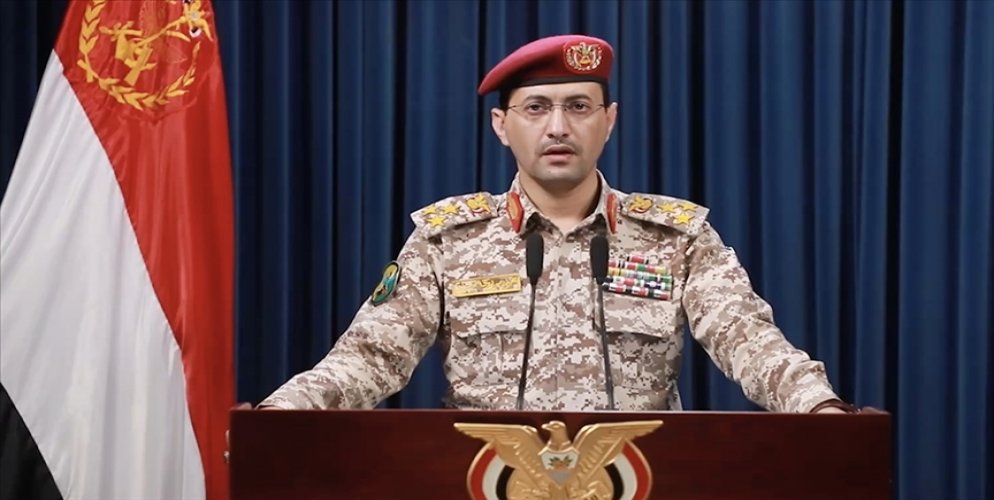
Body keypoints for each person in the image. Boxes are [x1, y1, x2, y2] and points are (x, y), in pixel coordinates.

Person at [256, 34, 854, 415]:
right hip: (484, 480)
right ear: (501, 125)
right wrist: (285, 413)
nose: (559, 127)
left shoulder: (677, 239)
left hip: (638, 479)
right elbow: (370, 355)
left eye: (579, 107)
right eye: (537, 108)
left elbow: (749, 342)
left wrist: (818, 408)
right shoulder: (448, 241)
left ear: (609, 121)